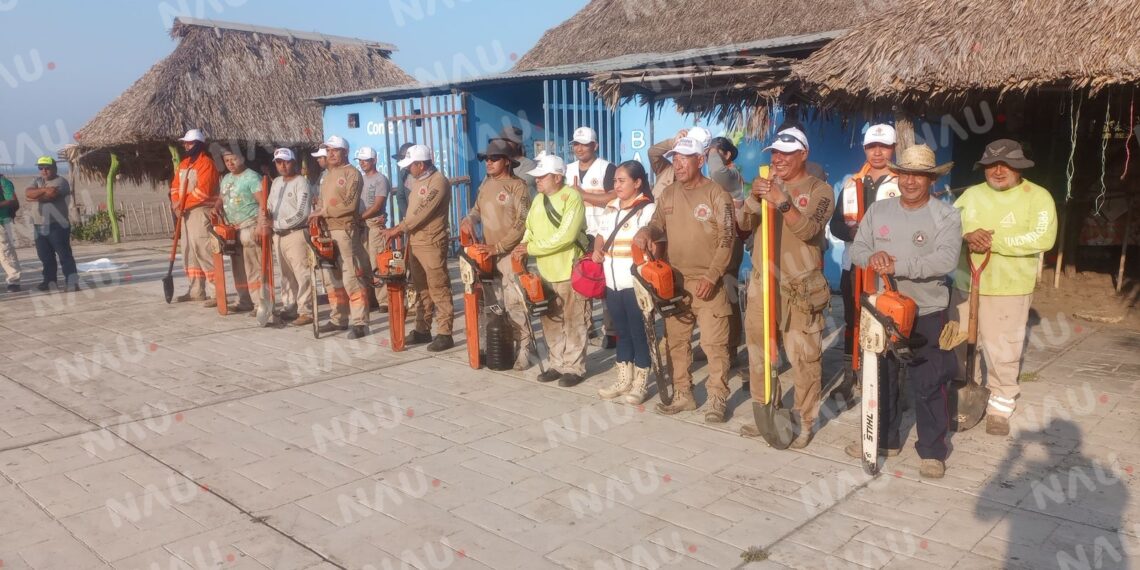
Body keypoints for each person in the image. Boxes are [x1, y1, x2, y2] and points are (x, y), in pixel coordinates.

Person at [844, 144, 961, 479]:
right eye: (905, 174)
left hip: (927, 309)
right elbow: (858, 248)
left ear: (931, 179)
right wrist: (872, 257)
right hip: (884, 310)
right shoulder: (879, 210)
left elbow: (946, 260)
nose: (910, 181)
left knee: (929, 381)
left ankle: (932, 451)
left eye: (919, 176)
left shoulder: (946, 215)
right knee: (881, 379)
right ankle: (884, 440)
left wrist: (899, 264)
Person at [951, 139, 1057, 436]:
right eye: (991, 165)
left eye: (1006, 165)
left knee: (1003, 350)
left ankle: (1000, 405)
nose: (998, 171)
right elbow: (949, 226)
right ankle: (964, 394)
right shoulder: (971, 195)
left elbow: (1043, 238)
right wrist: (966, 235)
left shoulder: (1038, 197)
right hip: (965, 282)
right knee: (960, 345)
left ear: (1019, 167)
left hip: (1009, 288)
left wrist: (991, 241)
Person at [738, 127, 835, 448]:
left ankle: (804, 421)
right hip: (761, 283)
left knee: (804, 357)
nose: (778, 159)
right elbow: (742, 225)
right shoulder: (764, 183)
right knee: (758, 351)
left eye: (786, 153)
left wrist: (782, 201)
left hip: (801, 287)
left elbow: (809, 230)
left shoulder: (821, 190)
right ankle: (766, 412)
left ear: (803, 154)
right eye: (775, 153)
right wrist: (754, 199)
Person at [631, 137, 735, 422]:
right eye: (675, 159)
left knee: (714, 345)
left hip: (709, 284)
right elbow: (656, 224)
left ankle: (717, 399)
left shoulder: (717, 194)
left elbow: (727, 239)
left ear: (700, 161)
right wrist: (646, 232)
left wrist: (712, 276)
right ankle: (683, 394)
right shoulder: (668, 193)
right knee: (676, 343)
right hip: (675, 284)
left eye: (684, 158)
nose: (677, 164)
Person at [830, 124, 900, 396]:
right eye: (872, 146)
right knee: (854, 319)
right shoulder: (851, 184)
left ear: (893, 148)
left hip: (889, 266)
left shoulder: (903, 183)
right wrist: (850, 232)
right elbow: (835, 224)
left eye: (884, 146)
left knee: (889, 320)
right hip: (855, 265)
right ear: (865, 148)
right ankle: (852, 373)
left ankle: (888, 380)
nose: (878, 152)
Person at [512, 152, 590, 386]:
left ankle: (574, 367)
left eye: (542, 176)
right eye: (537, 176)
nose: (537, 180)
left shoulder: (572, 198)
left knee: (574, 320)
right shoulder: (538, 200)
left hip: (569, 269)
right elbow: (530, 229)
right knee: (550, 319)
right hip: (545, 272)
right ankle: (556, 363)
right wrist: (523, 245)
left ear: (557, 177)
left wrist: (531, 248)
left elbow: (566, 237)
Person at [459, 138, 534, 370]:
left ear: (507, 161)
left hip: (510, 254)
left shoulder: (518, 187)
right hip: (486, 255)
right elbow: (476, 210)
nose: (488, 163)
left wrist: (499, 247)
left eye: (494, 159)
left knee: (515, 304)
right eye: (486, 159)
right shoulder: (486, 185)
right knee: (493, 305)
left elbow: (522, 222)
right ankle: (499, 347)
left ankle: (524, 349)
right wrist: (469, 219)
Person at [594, 161, 657, 404]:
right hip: (612, 282)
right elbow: (601, 235)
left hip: (635, 283)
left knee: (638, 332)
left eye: (622, 181)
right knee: (621, 332)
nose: (617, 185)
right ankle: (623, 379)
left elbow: (651, 239)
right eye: (615, 181)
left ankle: (641, 382)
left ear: (637, 182)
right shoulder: (610, 207)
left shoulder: (647, 209)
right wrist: (597, 250)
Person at [381, 144, 455, 351]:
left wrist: (399, 228)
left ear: (421, 165)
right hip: (415, 241)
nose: (407, 168)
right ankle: (422, 328)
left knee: (438, 287)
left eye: (411, 165)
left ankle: (445, 333)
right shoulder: (417, 180)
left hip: (432, 242)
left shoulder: (438, 181)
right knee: (421, 289)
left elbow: (422, 213)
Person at [310, 135, 370, 339]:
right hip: (326, 231)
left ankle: (360, 322)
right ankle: (338, 318)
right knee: (331, 278)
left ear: (345, 152)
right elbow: (322, 202)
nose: (331, 154)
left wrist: (324, 211)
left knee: (351, 276)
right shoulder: (327, 175)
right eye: (328, 150)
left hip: (344, 230)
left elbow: (350, 206)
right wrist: (318, 214)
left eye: (335, 150)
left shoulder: (353, 174)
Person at [265, 148, 314, 326]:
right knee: (285, 274)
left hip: (296, 233)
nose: (283, 166)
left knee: (302, 273)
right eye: (279, 162)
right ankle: (290, 306)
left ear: (293, 162)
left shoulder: (302, 182)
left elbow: (302, 213)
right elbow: (269, 204)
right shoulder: (276, 182)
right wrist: (265, 215)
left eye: (286, 162)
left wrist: (277, 223)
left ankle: (306, 310)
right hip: (278, 235)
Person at [170, 129, 219, 303]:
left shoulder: (207, 164)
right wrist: (176, 205)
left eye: (189, 143)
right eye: (185, 143)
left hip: (200, 212)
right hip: (184, 214)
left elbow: (203, 192)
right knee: (189, 251)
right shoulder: (184, 164)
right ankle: (196, 290)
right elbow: (175, 187)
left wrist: (182, 204)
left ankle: (217, 292)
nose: (186, 146)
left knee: (203, 250)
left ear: (198, 145)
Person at [215, 149, 264, 313]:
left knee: (253, 267)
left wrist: (260, 225)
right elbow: (221, 197)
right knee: (238, 268)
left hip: (249, 225)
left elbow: (263, 202)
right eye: (227, 160)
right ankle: (244, 300)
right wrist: (216, 207)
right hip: (232, 229)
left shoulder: (252, 177)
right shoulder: (226, 178)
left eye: (233, 159)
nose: (230, 163)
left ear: (242, 158)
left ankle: (260, 303)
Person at [25, 156, 78, 292]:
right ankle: (49, 282)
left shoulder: (61, 182)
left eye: (47, 168)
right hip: (38, 225)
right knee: (45, 256)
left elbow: (50, 196)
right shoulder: (37, 180)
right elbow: (27, 193)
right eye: (41, 168)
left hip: (57, 225)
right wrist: (43, 190)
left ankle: (72, 283)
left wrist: (34, 195)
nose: (44, 171)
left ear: (54, 168)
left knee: (64, 255)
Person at [357, 146, 392, 313]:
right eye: (360, 160)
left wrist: (359, 217)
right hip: (361, 225)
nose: (362, 163)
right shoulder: (360, 180)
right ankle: (371, 299)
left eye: (366, 160)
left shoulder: (380, 180)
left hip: (374, 224)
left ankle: (384, 300)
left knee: (377, 261)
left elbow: (377, 205)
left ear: (374, 160)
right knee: (363, 263)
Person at [648, 127, 712, 198]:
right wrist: (674, 142)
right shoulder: (666, 170)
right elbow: (652, 152)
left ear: (700, 159)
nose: (678, 166)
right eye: (675, 158)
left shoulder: (709, 186)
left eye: (684, 158)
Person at [490, 126, 537, 195]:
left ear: (518, 145)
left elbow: (515, 188)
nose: (504, 144)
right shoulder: (498, 163)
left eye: (508, 141)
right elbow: (483, 188)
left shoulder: (529, 165)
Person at [0, 172, 21, 291]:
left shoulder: (4, 182)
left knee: (6, 252)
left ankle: (14, 280)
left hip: (2, 221)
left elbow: (12, 200)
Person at [390, 142, 414, 220]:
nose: (402, 161)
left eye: (403, 158)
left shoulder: (431, 177)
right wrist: (407, 216)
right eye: (401, 159)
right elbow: (400, 196)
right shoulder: (403, 172)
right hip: (409, 217)